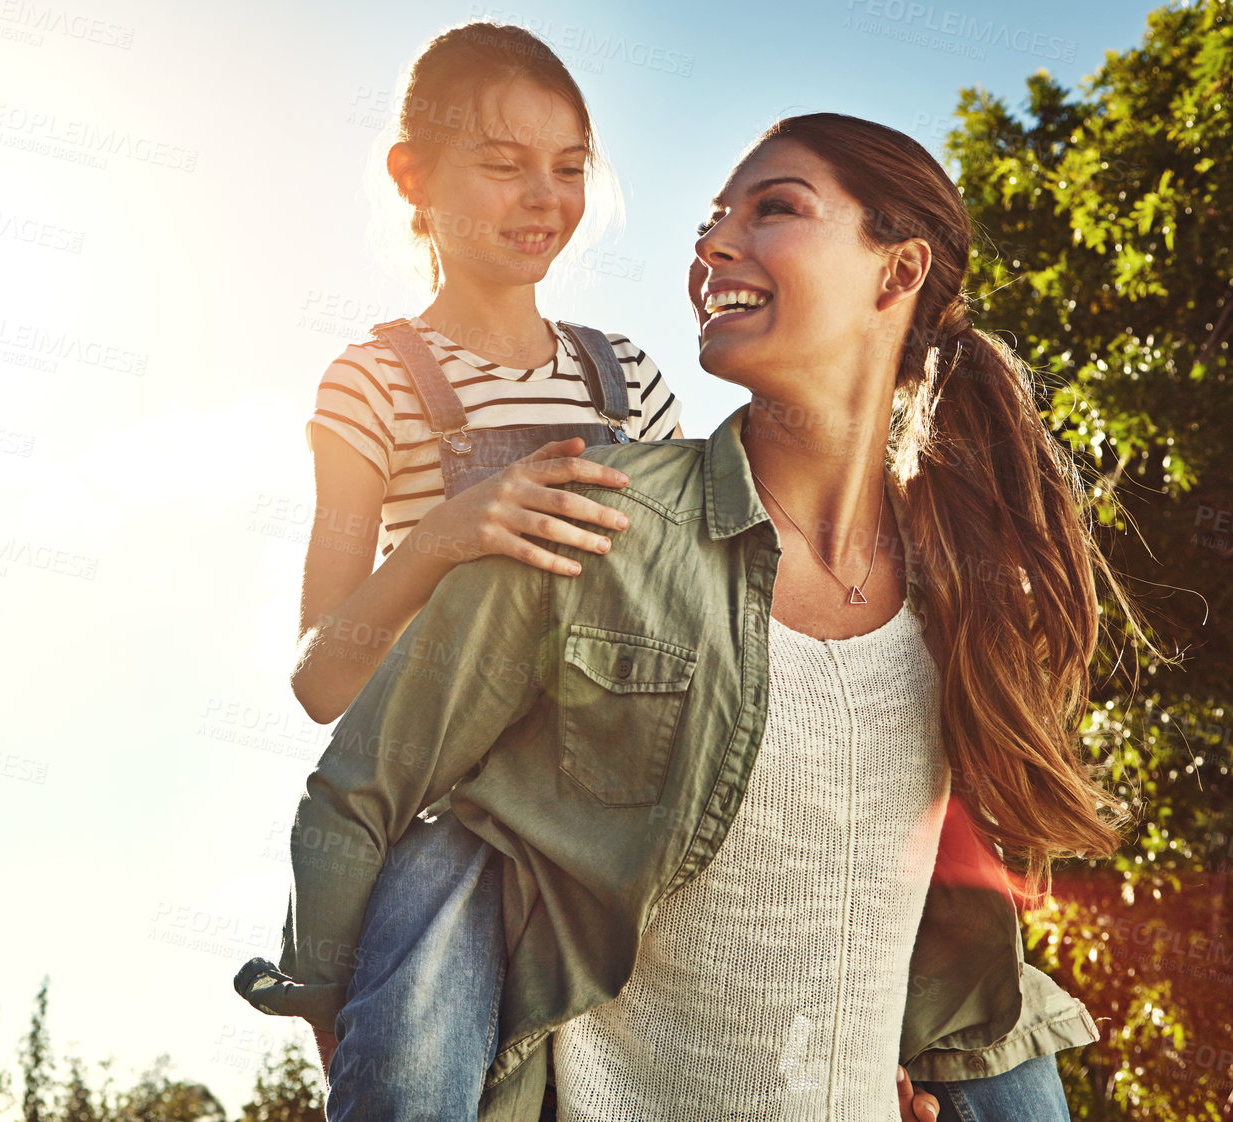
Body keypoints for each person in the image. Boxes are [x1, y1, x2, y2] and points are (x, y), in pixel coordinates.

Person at [240, 113, 1128, 1121]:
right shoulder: (587, 514)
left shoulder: (961, 594)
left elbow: (929, 948)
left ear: (899, 271)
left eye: (773, 209)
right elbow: (360, 787)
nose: (710, 246)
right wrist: (349, 1013)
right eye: (710, 221)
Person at [275, 19, 680, 1116]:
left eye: (567, 167)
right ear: (414, 177)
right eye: (502, 165)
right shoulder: (373, 381)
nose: (542, 198)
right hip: (447, 813)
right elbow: (322, 677)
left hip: (615, 817)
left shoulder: (627, 382)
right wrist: (448, 534)